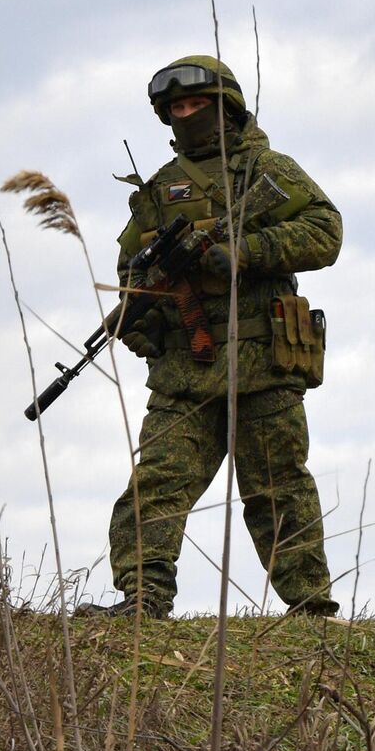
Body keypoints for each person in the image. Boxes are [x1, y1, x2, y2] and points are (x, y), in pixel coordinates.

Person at [81, 55, 342, 619]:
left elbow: (325, 231)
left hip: (262, 365)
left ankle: (311, 609)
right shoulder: (157, 192)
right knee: (155, 485)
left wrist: (244, 253)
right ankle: (144, 597)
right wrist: (141, 315)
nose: (187, 115)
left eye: (197, 104)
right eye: (176, 108)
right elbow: (132, 266)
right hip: (186, 370)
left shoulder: (267, 171)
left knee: (277, 489)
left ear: (226, 107)